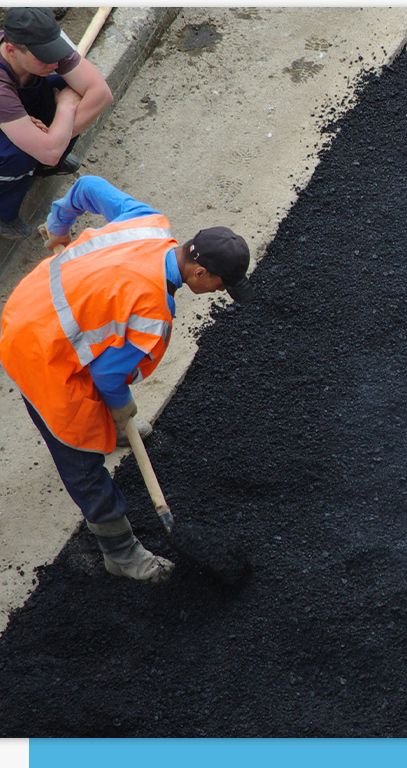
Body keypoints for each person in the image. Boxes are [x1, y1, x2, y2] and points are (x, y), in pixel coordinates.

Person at [0, 175, 253, 582]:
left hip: (29, 302)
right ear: (201, 273)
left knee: (105, 395)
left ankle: (112, 427)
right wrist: (123, 408)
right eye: (221, 285)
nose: (218, 291)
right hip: (38, 351)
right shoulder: (153, 314)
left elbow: (88, 186)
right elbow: (106, 376)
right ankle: (121, 553)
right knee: (80, 453)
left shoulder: (149, 224)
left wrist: (59, 222)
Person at [0, 7, 113, 239]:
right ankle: (4, 214)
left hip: (16, 115)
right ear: (10, 50)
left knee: (76, 93)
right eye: (44, 57)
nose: (55, 61)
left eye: (55, 51)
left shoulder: (42, 41)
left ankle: (41, 166)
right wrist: (65, 107)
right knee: (18, 155)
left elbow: (101, 93)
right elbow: (50, 150)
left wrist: (53, 138)